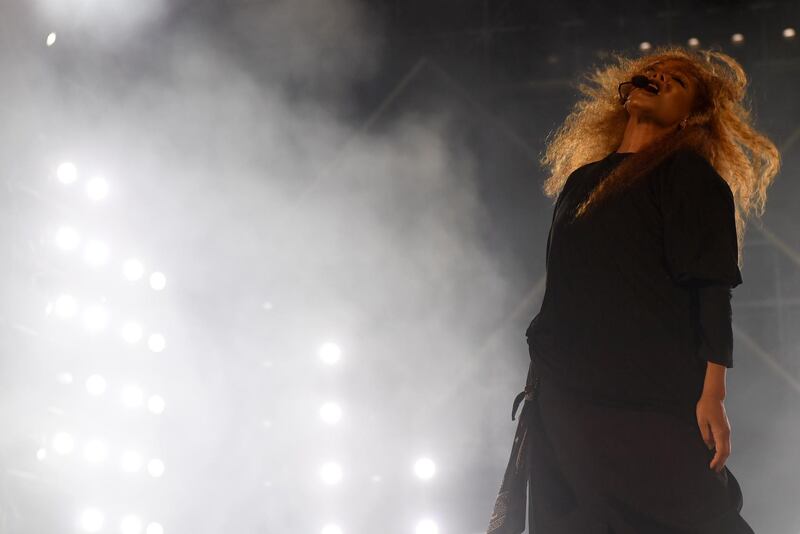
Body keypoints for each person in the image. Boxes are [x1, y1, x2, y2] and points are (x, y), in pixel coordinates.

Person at [486, 47, 780, 534]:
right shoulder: (582, 182)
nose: (660, 77)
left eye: (679, 82)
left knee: (693, 517)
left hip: (644, 391)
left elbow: (712, 286)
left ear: (692, 118)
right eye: (656, 72)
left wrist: (713, 393)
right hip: (567, 395)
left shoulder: (688, 176)